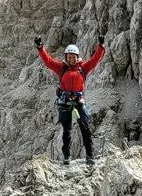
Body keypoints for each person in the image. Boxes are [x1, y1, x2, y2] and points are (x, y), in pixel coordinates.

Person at [35, 35, 105, 164]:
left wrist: (101, 47)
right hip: (65, 102)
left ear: (77, 57)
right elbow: (48, 61)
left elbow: (95, 60)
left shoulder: (82, 67)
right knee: (67, 130)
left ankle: (90, 155)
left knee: (85, 128)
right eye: (69, 57)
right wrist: (40, 47)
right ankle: (66, 156)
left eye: (73, 57)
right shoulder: (61, 67)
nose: (71, 59)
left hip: (78, 101)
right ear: (66, 57)